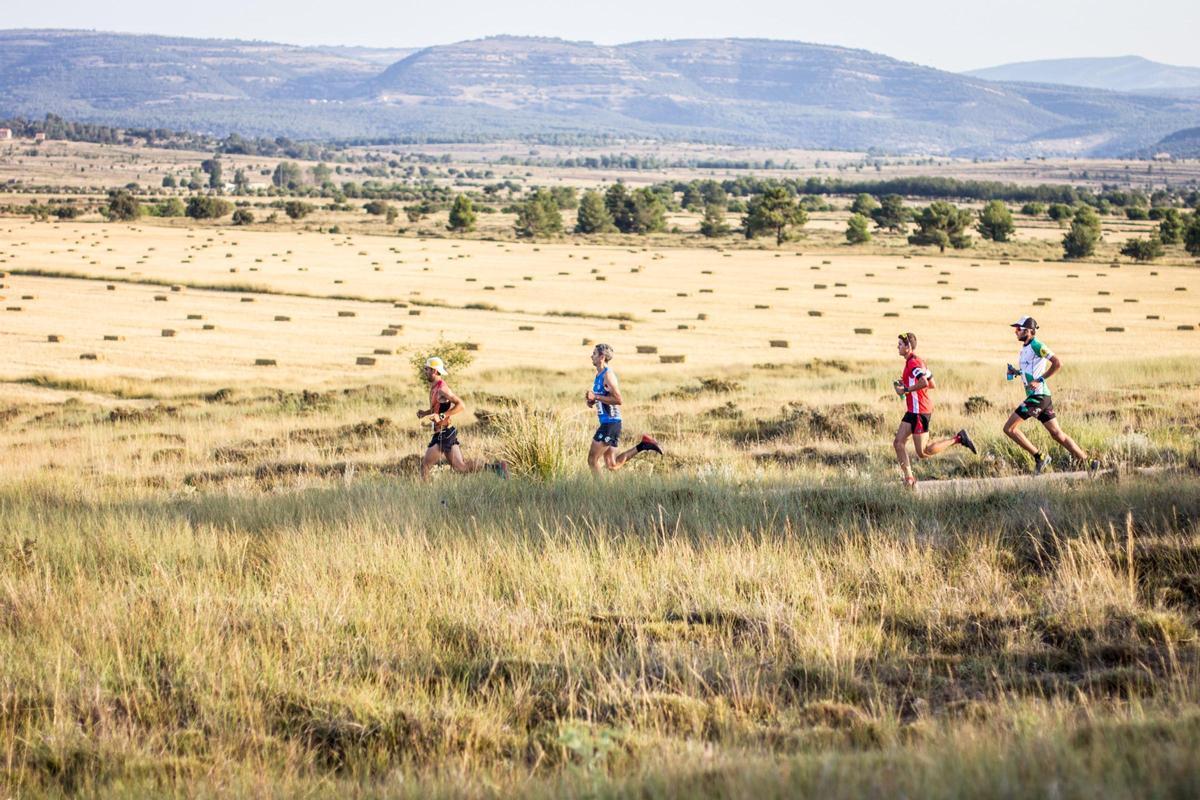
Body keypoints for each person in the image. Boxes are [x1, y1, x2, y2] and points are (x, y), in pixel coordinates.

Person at [1002, 316, 1099, 474]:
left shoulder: (1037, 345)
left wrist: (1040, 380)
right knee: (1057, 434)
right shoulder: (1025, 349)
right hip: (1042, 397)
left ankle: (1040, 457)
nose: (1015, 332)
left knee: (1009, 429)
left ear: (1029, 331)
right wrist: (1016, 372)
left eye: (1018, 329)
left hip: (1038, 396)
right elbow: (1030, 371)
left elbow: (1057, 363)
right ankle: (1089, 463)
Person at [892, 332, 976, 487]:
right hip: (913, 411)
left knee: (923, 452)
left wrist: (906, 390)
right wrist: (906, 384)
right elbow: (932, 383)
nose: (897, 347)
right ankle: (909, 479)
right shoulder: (916, 361)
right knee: (898, 443)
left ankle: (958, 438)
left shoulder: (914, 363)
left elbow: (924, 382)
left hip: (920, 412)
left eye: (900, 344)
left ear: (908, 347)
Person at [417, 356, 507, 481]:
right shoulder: (434, 387)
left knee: (425, 466)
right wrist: (425, 413)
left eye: (427, 369)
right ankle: (495, 467)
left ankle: (424, 495)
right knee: (461, 468)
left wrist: (441, 416)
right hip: (445, 432)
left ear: (435, 371)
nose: (425, 371)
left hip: (443, 434)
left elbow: (461, 405)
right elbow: (438, 408)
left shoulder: (442, 389)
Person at [585, 343, 663, 474]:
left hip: (610, 423)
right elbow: (604, 397)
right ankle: (643, 445)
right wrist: (592, 401)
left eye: (594, 354)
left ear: (602, 357)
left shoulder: (608, 375)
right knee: (612, 465)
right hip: (611, 423)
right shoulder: (599, 375)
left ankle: (599, 492)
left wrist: (596, 397)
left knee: (592, 460)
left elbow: (618, 400)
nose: (591, 356)